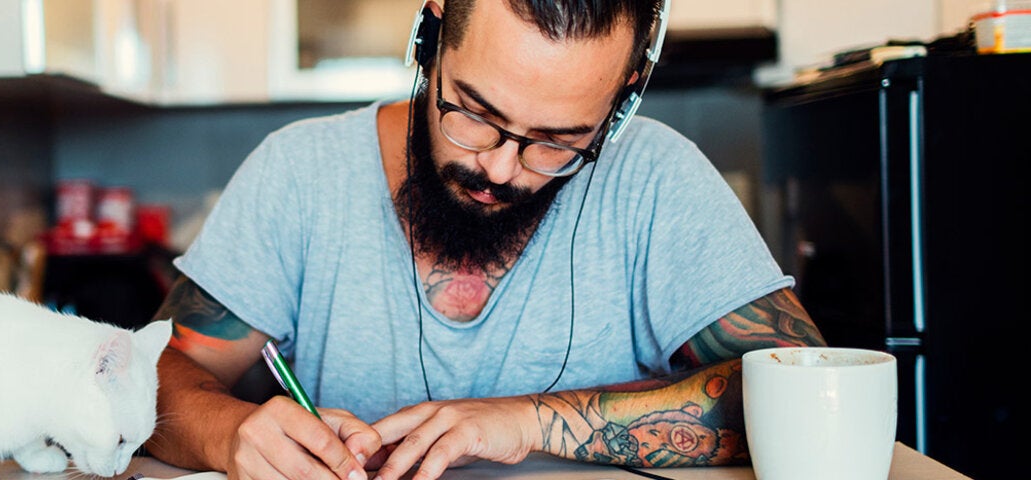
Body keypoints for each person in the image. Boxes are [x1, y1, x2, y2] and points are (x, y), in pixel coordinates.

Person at [145, 1, 827, 479]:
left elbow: (807, 390)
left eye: (560, 141)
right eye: (473, 113)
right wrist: (232, 433)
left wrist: (522, 424)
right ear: (431, 31)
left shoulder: (657, 178)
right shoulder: (297, 173)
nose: (500, 170)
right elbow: (154, 375)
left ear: (621, 101)